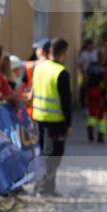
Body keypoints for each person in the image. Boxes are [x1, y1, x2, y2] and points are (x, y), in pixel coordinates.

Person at [32, 37, 72, 196]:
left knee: (42, 154)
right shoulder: (61, 72)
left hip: (38, 117)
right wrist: (68, 124)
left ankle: (44, 186)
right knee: (53, 155)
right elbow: (66, 102)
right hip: (55, 121)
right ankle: (44, 187)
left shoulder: (39, 67)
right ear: (63, 53)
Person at [85, 49, 107, 142]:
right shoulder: (104, 68)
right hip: (100, 91)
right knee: (101, 114)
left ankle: (90, 126)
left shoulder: (91, 66)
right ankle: (101, 134)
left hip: (91, 90)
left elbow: (86, 78)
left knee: (92, 111)